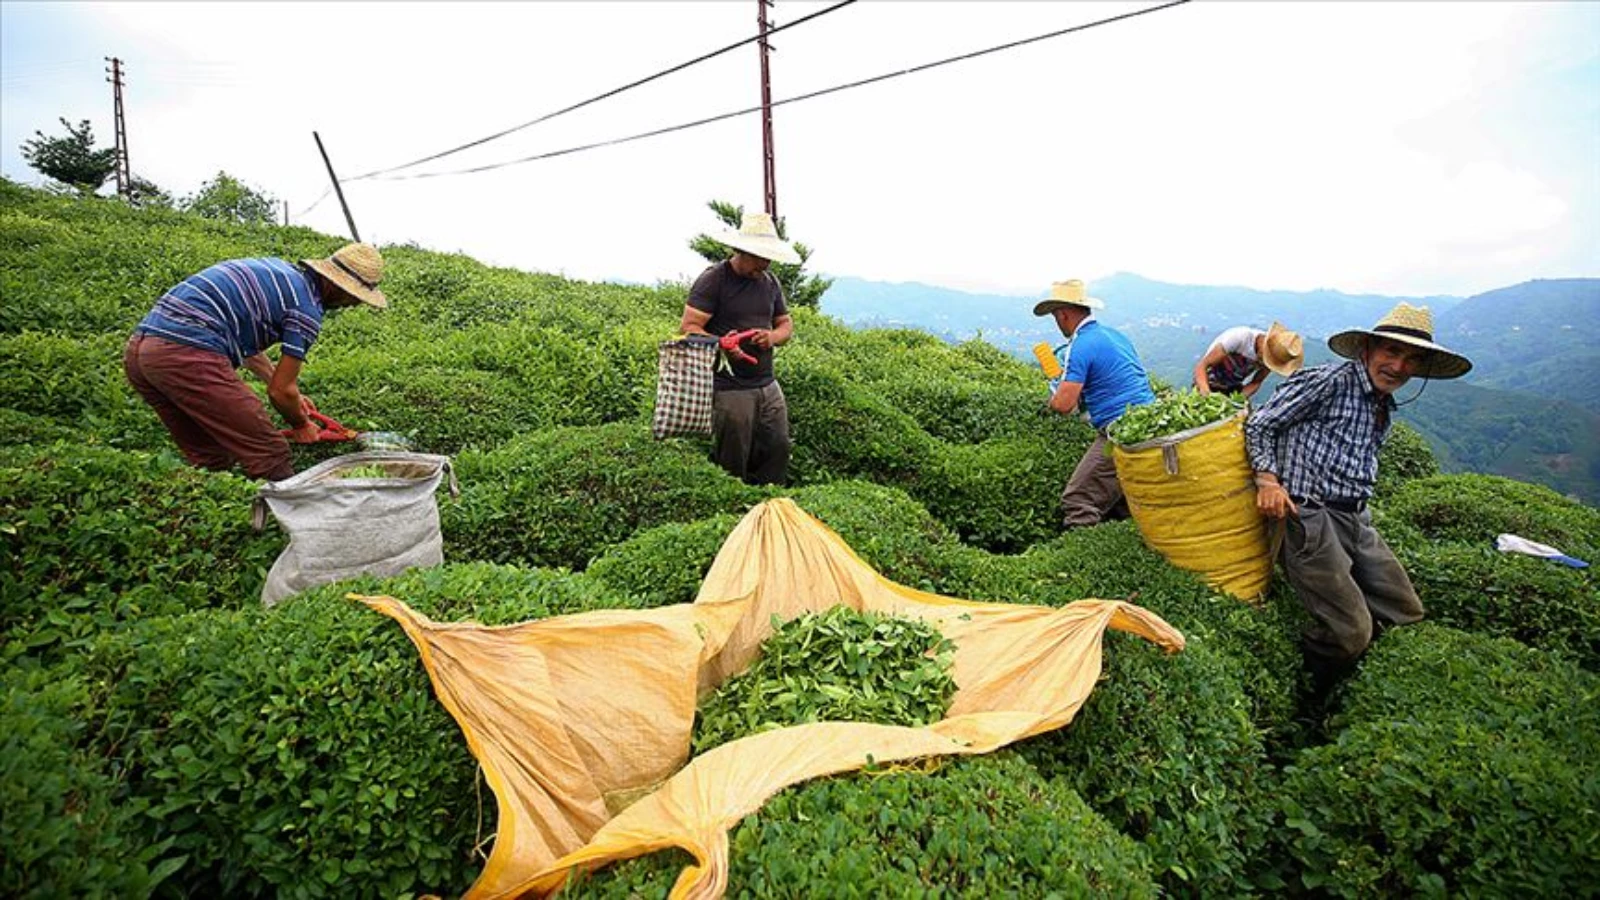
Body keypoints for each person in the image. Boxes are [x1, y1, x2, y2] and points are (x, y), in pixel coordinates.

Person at [1245, 302, 1471, 694]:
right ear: (1368, 349)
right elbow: (1261, 423)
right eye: (1392, 352)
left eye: (1411, 359)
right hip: (1309, 515)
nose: (1399, 367)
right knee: (1351, 632)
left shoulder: (1382, 401)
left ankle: (1369, 684)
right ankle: (1308, 689)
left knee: (1404, 610)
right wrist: (1267, 479)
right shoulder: (1327, 382)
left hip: (1355, 518)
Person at [123, 243, 387, 481]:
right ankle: (288, 521)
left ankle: (217, 511)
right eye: (354, 296)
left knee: (209, 454)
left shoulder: (281, 273)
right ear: (336, 285)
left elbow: (249, 351)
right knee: (269, 451)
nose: (353, 304)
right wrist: (301, 424)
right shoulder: (305, 308)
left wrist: (284, 388)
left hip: (141, 353)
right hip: (185, 353)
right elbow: (281, 392)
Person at [679, 211, 799, 485]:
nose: (766, 264)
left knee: (777, 447)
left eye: (769, 257)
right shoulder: (714, 279)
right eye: (760, 257)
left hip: (767, 383)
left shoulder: (770, 283)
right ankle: (732, 512)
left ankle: (768, 507)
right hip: (730, 387)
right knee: (733, 456)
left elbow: (785, 325)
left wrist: (771, 337)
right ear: (742, 250)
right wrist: (722, 343)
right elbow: (689, 328)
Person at [1035, 279, 1157, 528]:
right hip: (1149, 422)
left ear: (1063, 314)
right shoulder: (1115, 336)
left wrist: (1054, 393)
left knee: (1078, 499)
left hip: (1121, 430)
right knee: (1122, 503)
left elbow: (1063, 405)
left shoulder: (1080, 346)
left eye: (1055, 316)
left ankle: (1079, 562)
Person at [1192, 321, 1305, 397]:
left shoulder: (1276, 356)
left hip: (1233, 387)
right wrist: (1206, 394)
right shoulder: (1239, 338)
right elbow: (1202, 366)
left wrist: (1237, 400)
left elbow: (1256, 381)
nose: (1266, 363)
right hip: (1206, 381)